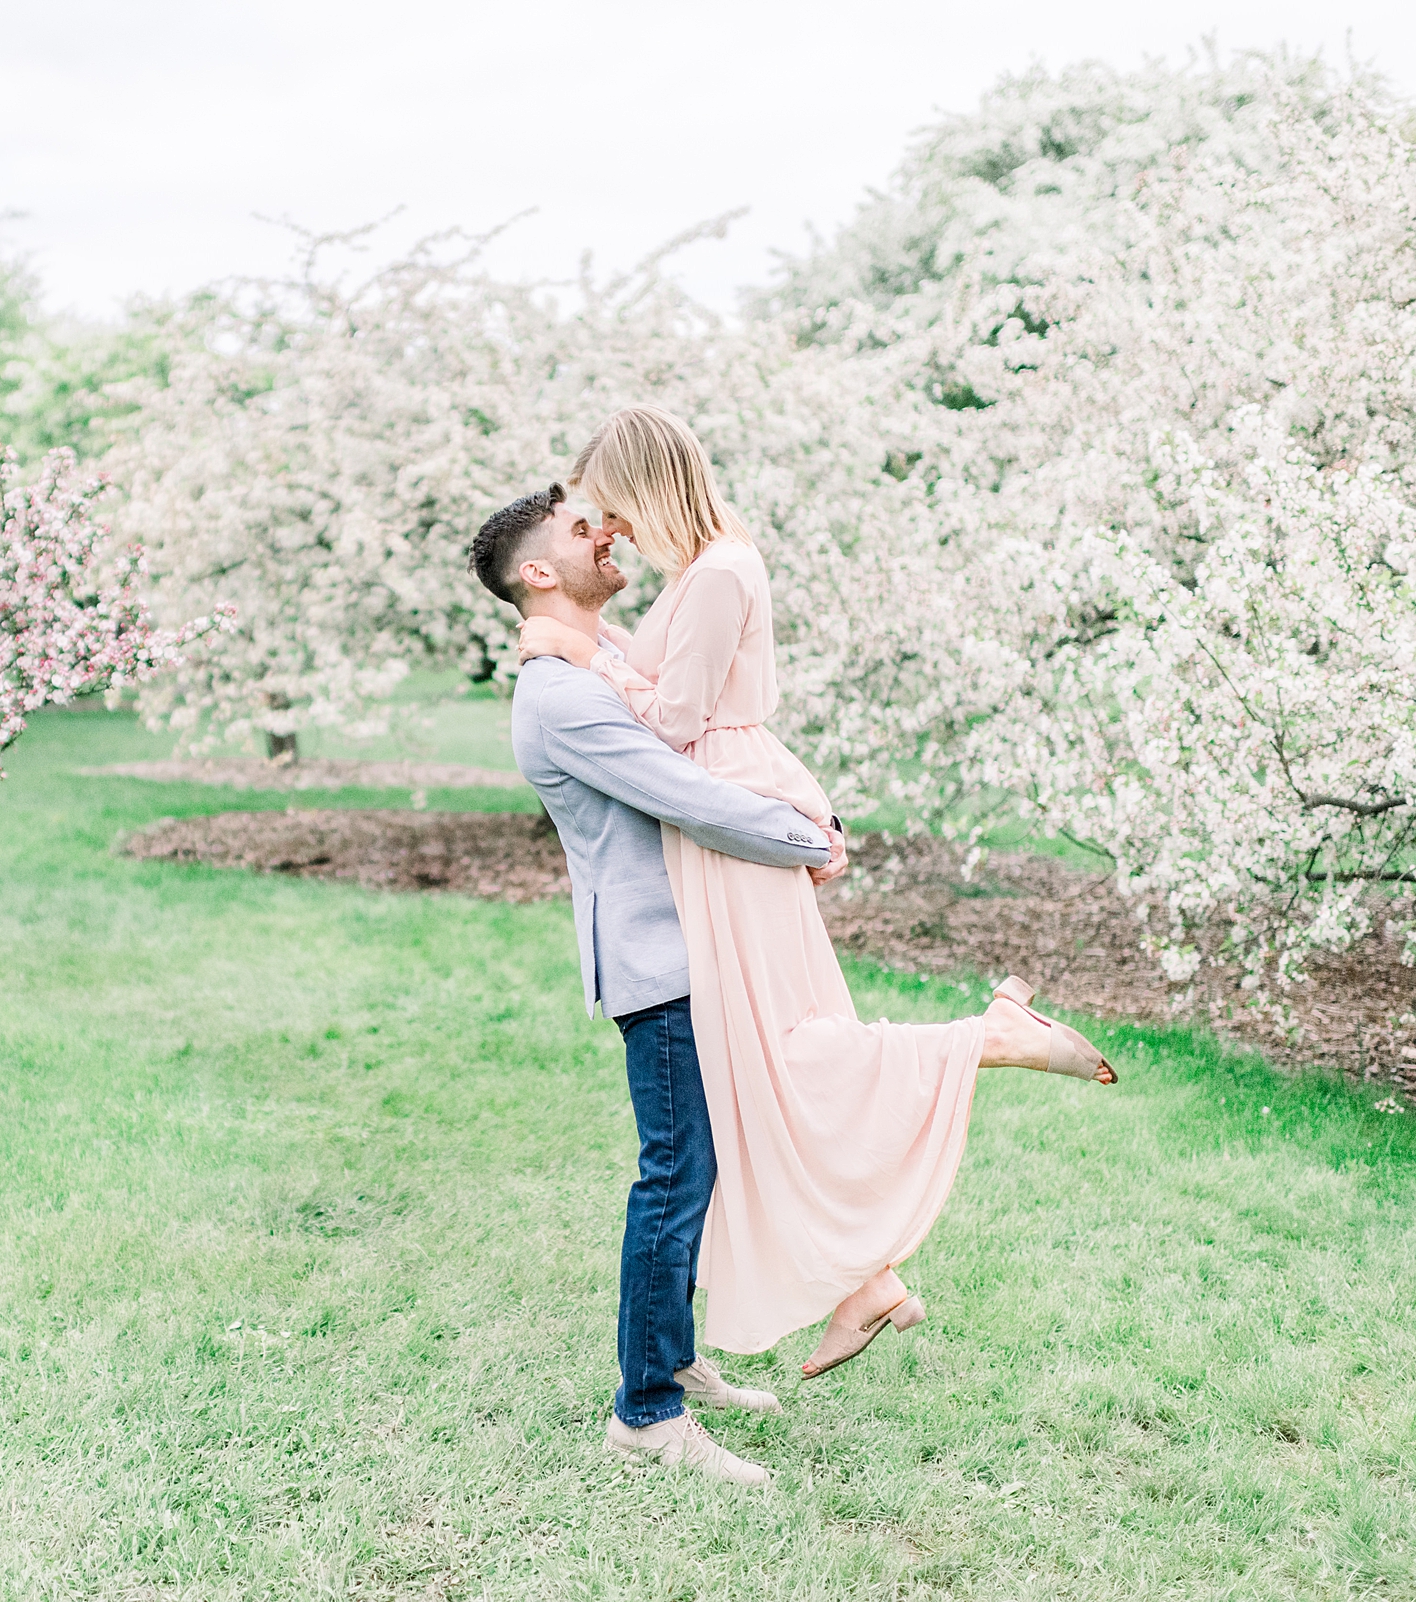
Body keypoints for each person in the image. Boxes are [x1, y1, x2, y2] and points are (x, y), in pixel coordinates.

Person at [516, 405, 1117, 1386]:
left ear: (645, 481)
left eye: (609, 506)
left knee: (782, 1050)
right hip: (725, 803)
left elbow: (674, 723)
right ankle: (866, 1283)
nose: (609, 528)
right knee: (764, 1059)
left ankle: (990, 1038)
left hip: (723, 811)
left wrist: (584, 655)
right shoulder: (706, 569)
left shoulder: (716, 573)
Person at [473, 483, 833, 1488]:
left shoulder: (591, 662)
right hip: (658, 961)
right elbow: (685, 795)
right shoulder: (561, 697)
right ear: (538, 573)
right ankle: (646, 1414)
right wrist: (810, 837)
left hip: (688, 948)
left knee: (695, 1172)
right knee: (674, 1176)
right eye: (583, 532)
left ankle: (670, 1359)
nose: (609, 535)